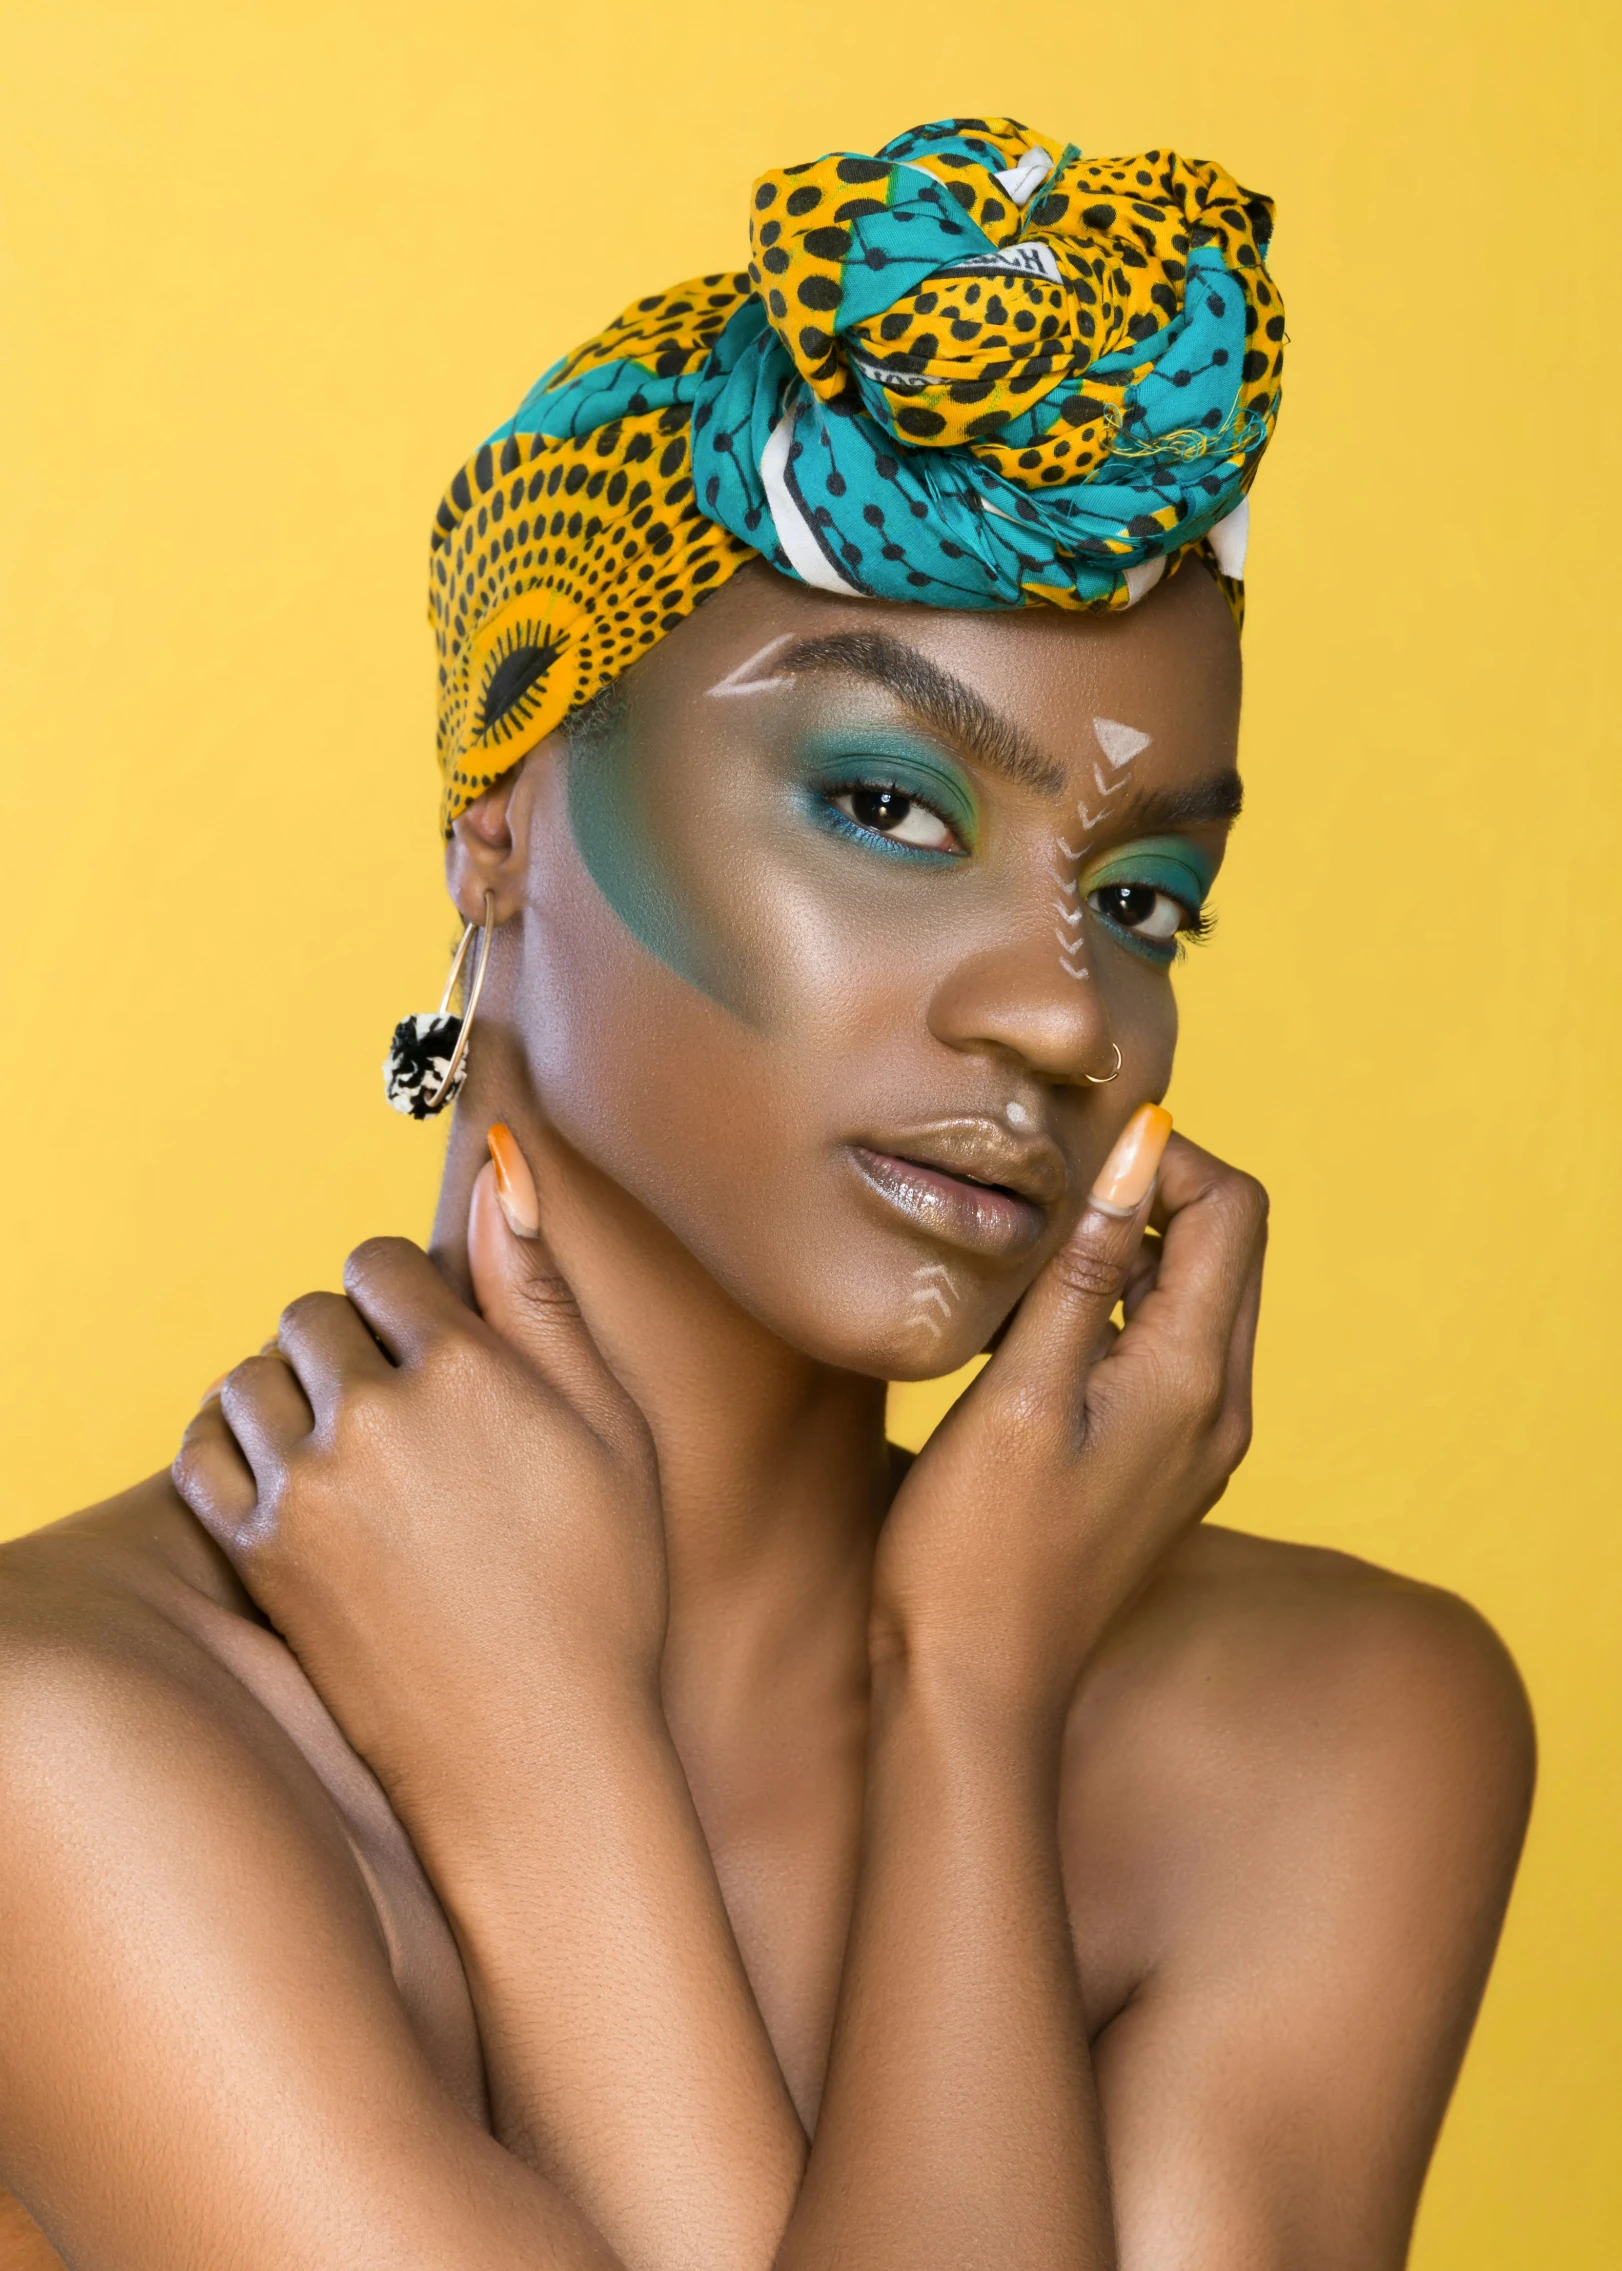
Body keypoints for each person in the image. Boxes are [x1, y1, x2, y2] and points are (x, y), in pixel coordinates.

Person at [0, 117, 1532, 2271]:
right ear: (507, 819)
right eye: (890, 802)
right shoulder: (60, 1769)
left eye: (1146, 894)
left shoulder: (1329, 1732)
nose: (1062, 1017)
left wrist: (934, 1708)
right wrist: (550, 1766)